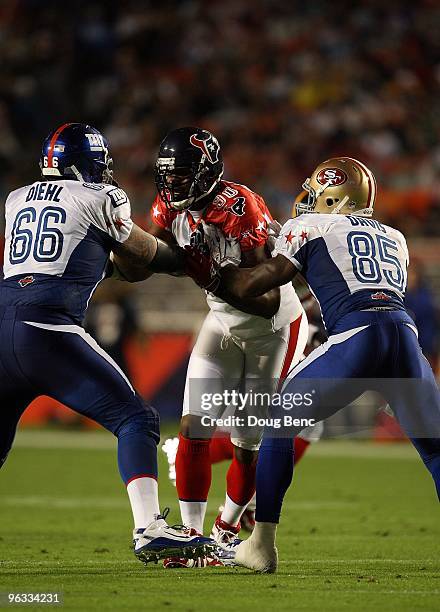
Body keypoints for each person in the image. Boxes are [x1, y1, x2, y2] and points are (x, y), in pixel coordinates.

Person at [186, 156, 440, 572]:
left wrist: (212, 271)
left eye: (317, 193)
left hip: (357, 337)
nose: (309, 201)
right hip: (404, 339)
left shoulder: (312, 227)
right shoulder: (396, 237)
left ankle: (261, 544)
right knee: (435, 451)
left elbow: (257, 283)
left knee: (278, 423)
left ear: (335, 197)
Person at [0, 122, 215, 566]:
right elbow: (148, 255)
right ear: (87, 163)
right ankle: (149, 528)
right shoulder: (102, 197)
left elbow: (74, 257)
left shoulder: (15, 198)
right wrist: (194, 255)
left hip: (2, 327)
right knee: (136, 418)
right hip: (47, 329)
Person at [149, 127, 317, 560]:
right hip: (222, 322)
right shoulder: (169, 207)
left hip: (272, 330)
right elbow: (157, 254)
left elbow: (265, 302)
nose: (172, 185)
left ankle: (224, 530)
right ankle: (190, 540)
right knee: (192, 428)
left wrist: (209, 276)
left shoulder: (241, 208)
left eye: (183, 175)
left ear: (206, 171)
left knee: (247, 446)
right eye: (168, 175)